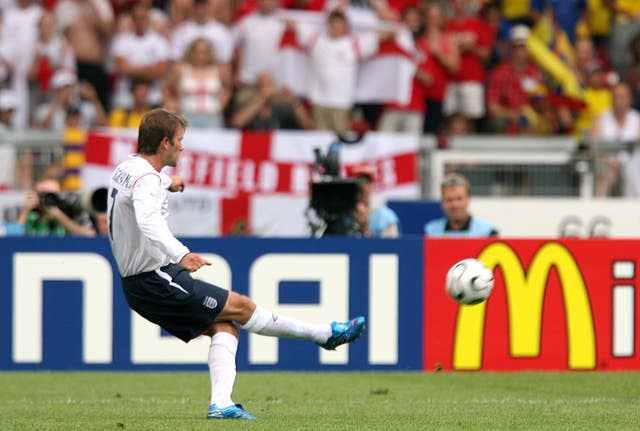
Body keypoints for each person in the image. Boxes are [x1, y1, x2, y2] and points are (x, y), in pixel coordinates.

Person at [107, 108, 365, 420]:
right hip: (155, 276)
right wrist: (180, 253)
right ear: (164, 143)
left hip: (145, 279)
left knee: (225, 326)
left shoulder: (128, 168)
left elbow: (139, 190)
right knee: (242, 307)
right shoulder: (147, 179)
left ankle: (221, 404)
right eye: (179, 140)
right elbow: (147, 221)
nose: (182, 146)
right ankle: (324, 334)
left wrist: (168, 182)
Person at [424, 173, 498, 237]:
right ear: (442, 202)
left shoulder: (487, 232)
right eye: (449, 200)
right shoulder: (431, 232)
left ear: (468, 199)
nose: (455, 205)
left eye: (459, 199)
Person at [351, 165, 400, 238]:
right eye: (357, 182)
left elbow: (391, 247)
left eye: (366, 182)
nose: (362, 186)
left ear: (372, 185)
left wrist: (364, 228)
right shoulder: (342, 216)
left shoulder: (386, 217)